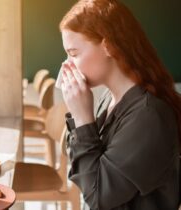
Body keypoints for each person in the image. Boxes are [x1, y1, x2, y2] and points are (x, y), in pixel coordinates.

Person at [59, 0, 181, 209]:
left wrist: (83, 119)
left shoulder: (148, 116)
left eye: (74, 53)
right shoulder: (110, 98)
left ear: (109, 46)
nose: (66, 64)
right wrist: (78, 114)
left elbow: (98, 197)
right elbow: (81, 165)